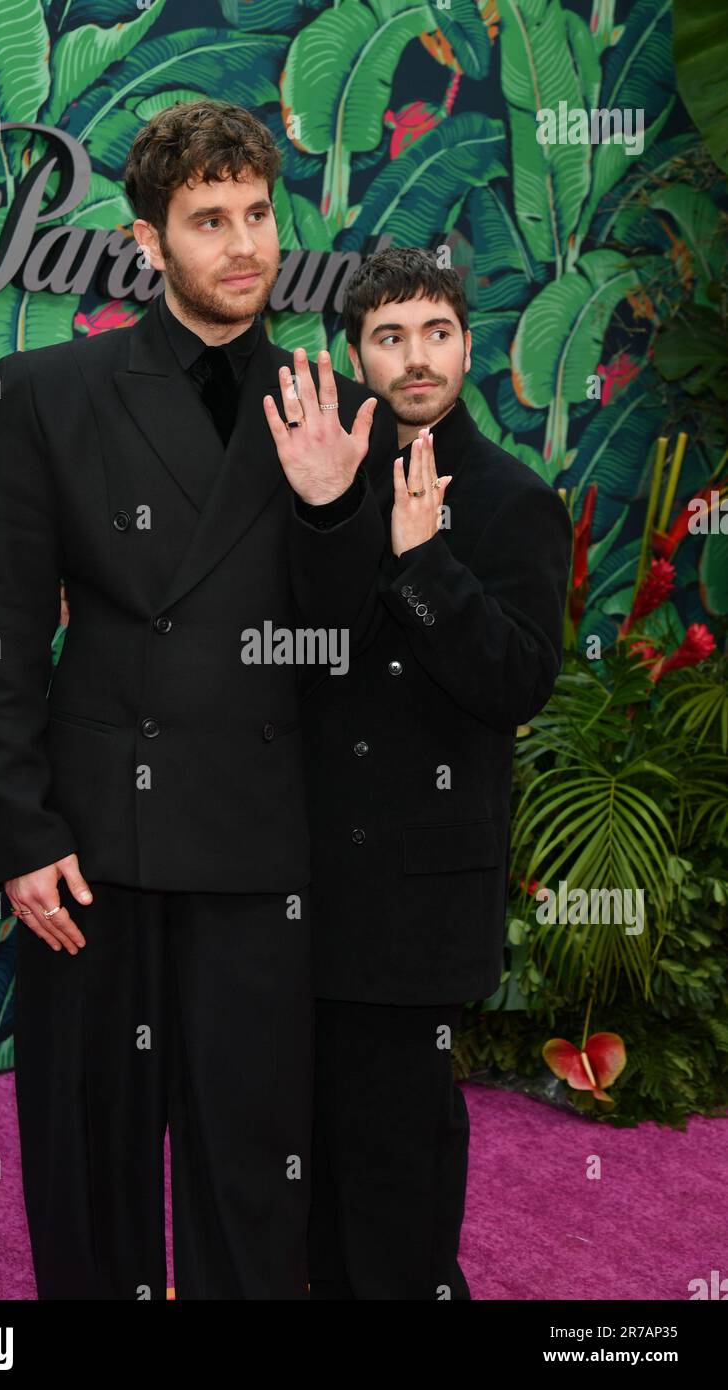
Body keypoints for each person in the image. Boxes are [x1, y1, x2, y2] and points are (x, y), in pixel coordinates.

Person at [0, 100, 397, 1301]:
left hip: (258, 840)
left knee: (253, 1163)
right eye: (208, 220)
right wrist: (20, 834)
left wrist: (325, 510)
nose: (244, 244)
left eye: (257, 213)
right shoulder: (47, 392)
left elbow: (338, 655)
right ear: (146, 240)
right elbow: (3, 634)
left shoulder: (325, 404)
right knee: (91, 1155)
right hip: (96, 841)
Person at [302, 247, 573, 1299]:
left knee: (398, 1147)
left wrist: (423, 564)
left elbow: (512, 681)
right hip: (307, 870)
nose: (414, 359)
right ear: (355, 353)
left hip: (417, 896)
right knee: (309, 1139)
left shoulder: (511, 501)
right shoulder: (321, 475)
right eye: (387, 336)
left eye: (435, 333)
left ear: (466, 344)